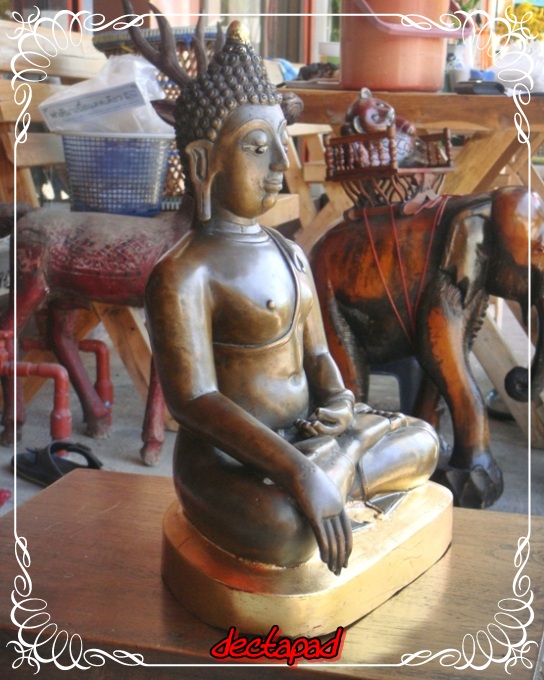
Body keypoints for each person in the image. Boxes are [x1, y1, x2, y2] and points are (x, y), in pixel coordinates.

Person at [144, 22, 439, 577]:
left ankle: (339, 460)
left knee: (425, 441)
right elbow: (195, 402)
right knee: (282, 528)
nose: (282, 162)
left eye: (282, 142)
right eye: (259, 148)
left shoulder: (290, 253)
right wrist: (297, 472)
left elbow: (318, 355)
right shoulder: (183, 273)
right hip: (227, 461)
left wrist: (340, 403)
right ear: (204, 163)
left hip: (308, 434)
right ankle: (336, 468)